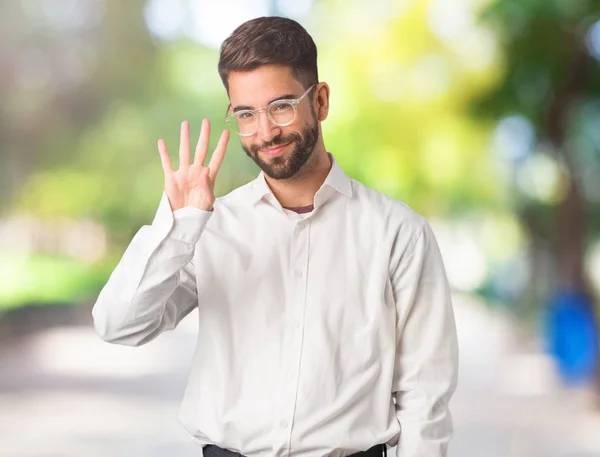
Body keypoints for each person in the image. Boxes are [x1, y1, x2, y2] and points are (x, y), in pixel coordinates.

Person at [92, 16, 458, 457]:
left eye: (281, 106)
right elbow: (119, 325)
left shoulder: (398, 233)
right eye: (246, 114)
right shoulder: (208, 228)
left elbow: (425, 399)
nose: (264, 132)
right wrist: (178, 224)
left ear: (319, 101)